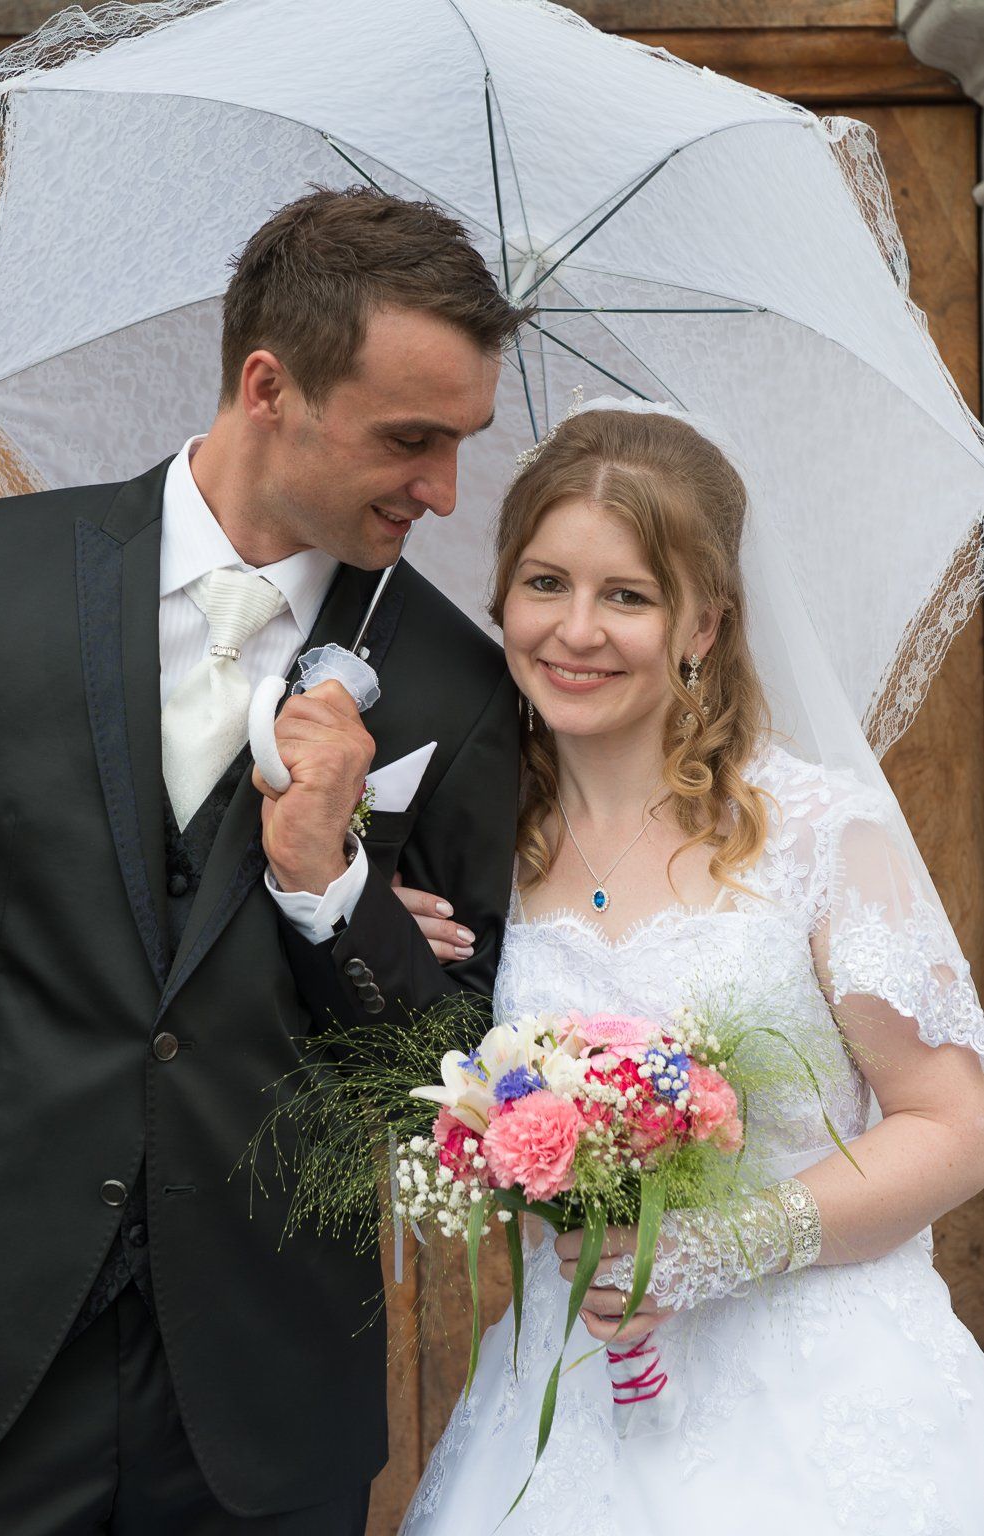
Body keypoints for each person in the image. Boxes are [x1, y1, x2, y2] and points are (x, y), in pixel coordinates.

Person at [0, 186, 530, 1534]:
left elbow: (453, 1074)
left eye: (461, 444)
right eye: (409, 439)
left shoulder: (460, 689)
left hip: (265, 1387)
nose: (443, 492)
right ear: (269, 386)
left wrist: (337, 896)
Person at [394, 400, 984, 1534]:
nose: (574, 630)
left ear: (703, 622)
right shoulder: (469, 854)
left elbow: (953, 1124)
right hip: (567, 1402)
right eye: (545, 583)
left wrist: (707, 1252)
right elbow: (422, 1098)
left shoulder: (816, 833)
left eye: (627, 595)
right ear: (502, 596)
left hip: (817, 1399)